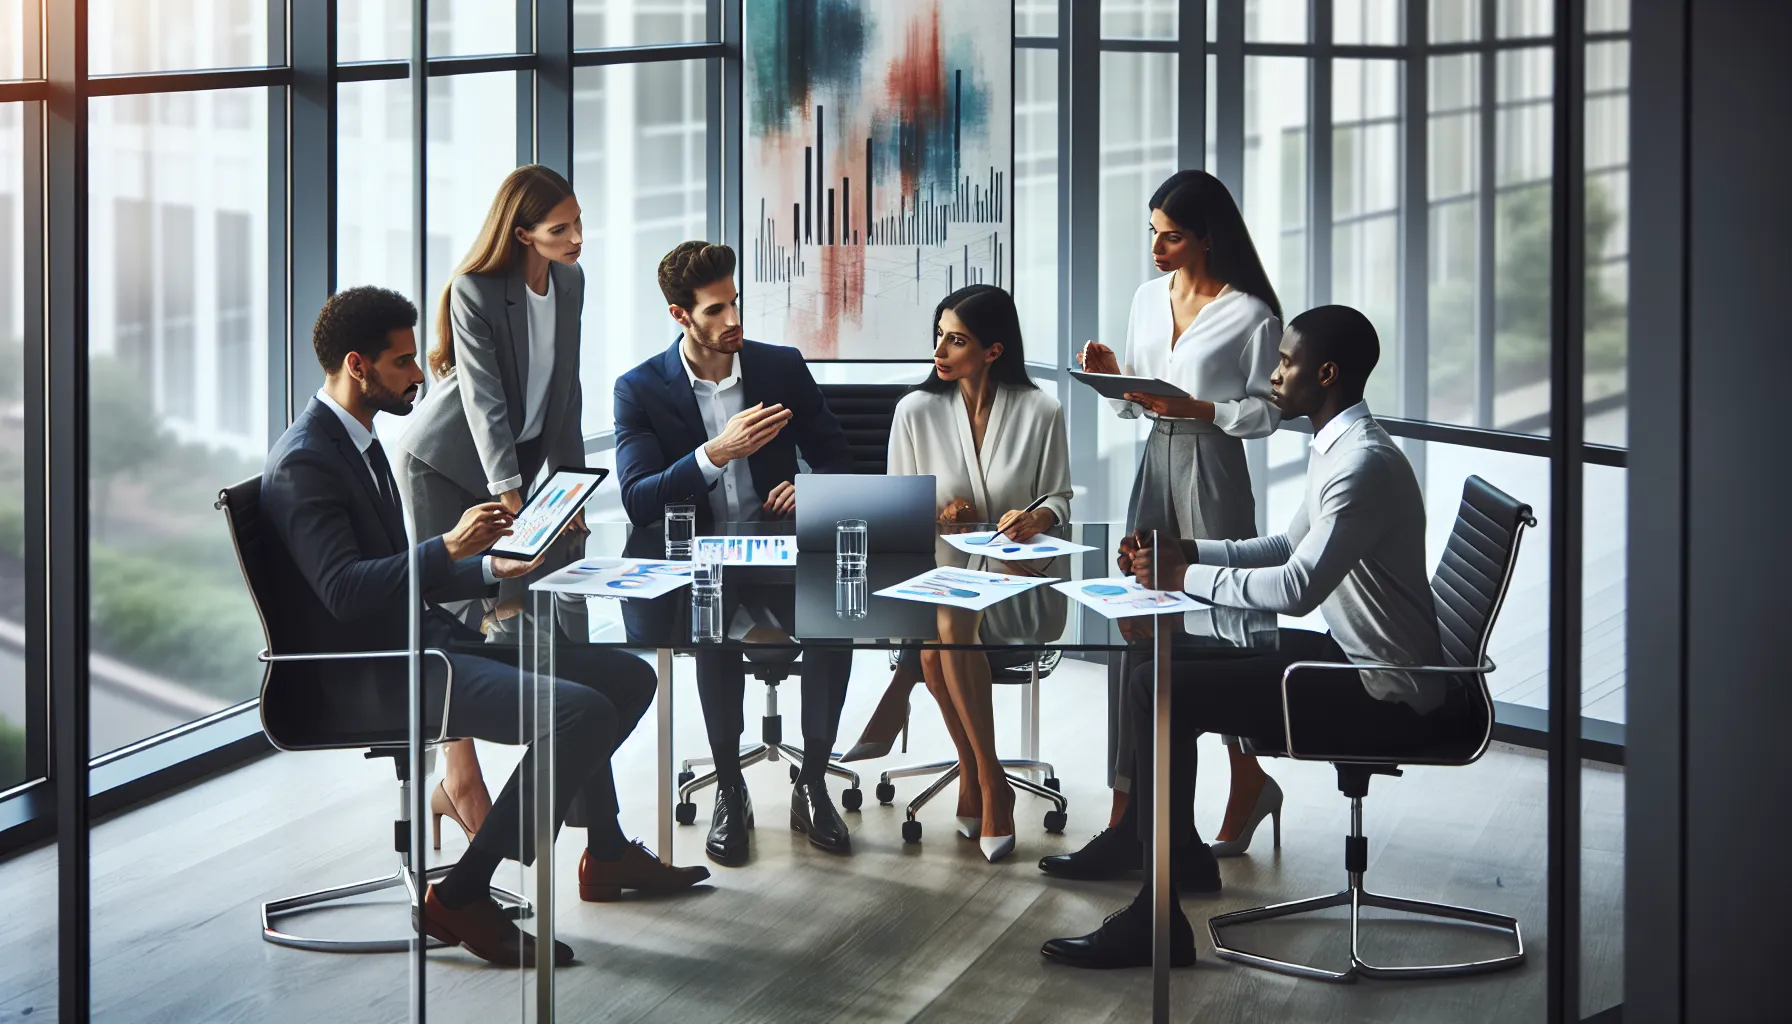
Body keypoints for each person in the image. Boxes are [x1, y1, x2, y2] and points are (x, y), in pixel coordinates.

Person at [263, 286, 707, 968]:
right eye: (403, 361)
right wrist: (449, 547)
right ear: (357, 364)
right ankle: (462, 894)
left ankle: (607, 851)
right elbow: (346, 593)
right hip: (379, 670)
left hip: (427, 641)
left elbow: (394, 575)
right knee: (580, 712)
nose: (418, 374)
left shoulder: (357, 440)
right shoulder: (306, 461)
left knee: (625, 677)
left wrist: (491, 567)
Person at [1040, 305, 1480, 969]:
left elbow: (1296, 588)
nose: (1273, 375)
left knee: (1161, 688)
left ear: (1325, 374)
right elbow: (1284, 546)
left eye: (1285, 362)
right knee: (1161, 665)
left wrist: (1184, 577)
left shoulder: (1361, 466)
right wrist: (1191, 551)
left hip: (1382, 694)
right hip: (1353, 662)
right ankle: (1174, 854)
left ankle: (1158, 917)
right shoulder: (1341, 447)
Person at [1068, 168, 1286, 870]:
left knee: (1221, 627)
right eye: (1153, 234)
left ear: (1207, 238)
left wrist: (1202, 410)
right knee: (1142, 624)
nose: (1157, 248)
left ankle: (1248, 779)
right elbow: (1137, 404)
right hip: (1155, 460)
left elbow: (1270, 412)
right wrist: (1113, 376)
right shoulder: (1146, 297)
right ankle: (1127, 817)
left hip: (1213, 464)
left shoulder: (1251, 313)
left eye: (1172, 237)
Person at [613, 240, 858, 866]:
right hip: (701, 560)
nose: (732, 320)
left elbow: (837, 456)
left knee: (837, 624)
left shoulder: (780, 367)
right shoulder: (639, 389)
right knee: (710, 628)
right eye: (715, 310)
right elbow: (638, 498)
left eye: (735, 303)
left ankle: (813, 782)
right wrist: (713, 453)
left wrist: (808, 485)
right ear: (680, 316)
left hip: (783, 551)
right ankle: (729, 786)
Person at [391, 165, 590, 844]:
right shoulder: (476, 290)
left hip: (517, 468)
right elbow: (484, 402)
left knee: (551, 605)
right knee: (454, 619)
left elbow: (565, 390)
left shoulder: (571, 282)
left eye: (578, 222)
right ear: (523, 233)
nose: (576, 238)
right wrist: (516, 500)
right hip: (447, 465)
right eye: (560, 229)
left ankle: (596, 827)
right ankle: (460, 780)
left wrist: (569, 487)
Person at [846, 285, 1072, 862]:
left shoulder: (1041, 411)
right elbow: (897, 511)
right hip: (941, 575)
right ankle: (987, 778)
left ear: (993, 350)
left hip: (1016, 579)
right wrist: (939, 515)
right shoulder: (915, 411)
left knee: (938, 638)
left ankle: (979, 776)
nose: (939, 351)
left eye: (956, 340)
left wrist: (1037, 517)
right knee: (942, 627)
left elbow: (1059, 498)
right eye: (939, 336)